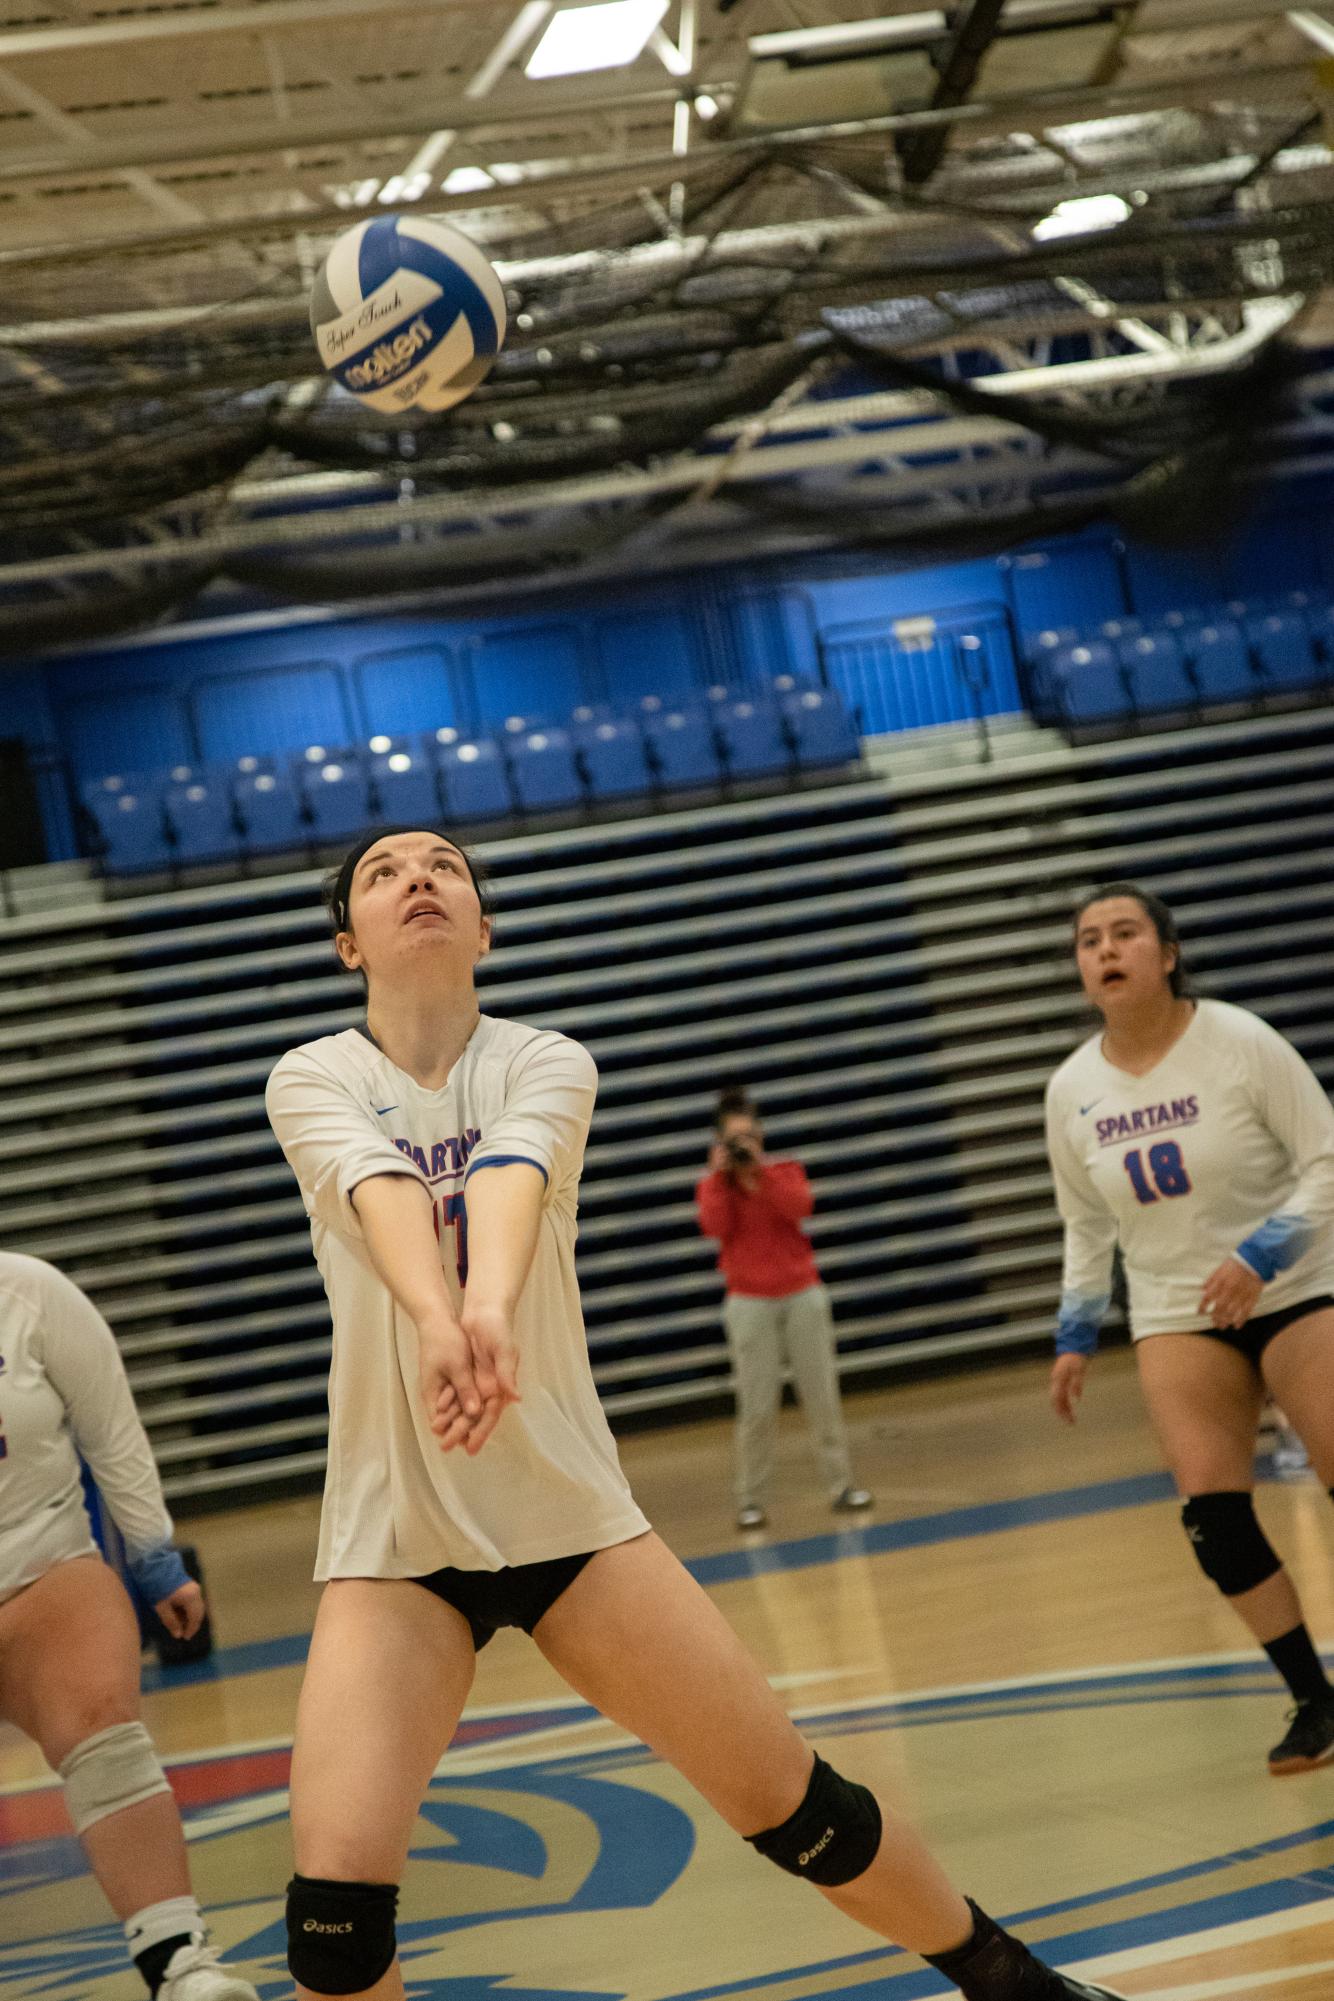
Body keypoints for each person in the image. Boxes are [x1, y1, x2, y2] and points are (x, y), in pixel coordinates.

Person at [264, 822, 1123, 2001]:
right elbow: (381, 1191)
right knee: (333, 1924)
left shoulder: (544, 1060)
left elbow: (510, 1180)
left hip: (566, 1518)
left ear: (484, 928)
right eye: (382, 873)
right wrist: (434, 1316)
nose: (417, 877)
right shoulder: (311, 1074)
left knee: (793, 1807)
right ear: (345, 945)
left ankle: (1011, 1980)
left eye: (444, 867)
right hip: (395, 1541)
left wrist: (491, 1307)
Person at [1046, 881, 1334, 1774]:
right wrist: (1075, 1330)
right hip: (1177, 1308)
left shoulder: (1239, 1041)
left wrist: (1258, 1255)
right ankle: (1314, 1700)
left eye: (1125, 933)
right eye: (1090, 939)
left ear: (1166, 953)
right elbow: (1088, 1225)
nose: (1106, 950)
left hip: (1295, 1285)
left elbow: (1327, 1159)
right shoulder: (1072, 1090)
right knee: (1212, 1516)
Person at [0, 1250, 260, 2000]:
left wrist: (154, 1558)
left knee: (102, 1719)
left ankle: (180, 1963)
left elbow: (111, 1431)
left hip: (40, 1572)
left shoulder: (31, 1293)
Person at [696, 1086, 872, 1530]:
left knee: (822, 1395)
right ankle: (750, 1500)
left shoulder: (785, 1171)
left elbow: (800, 1207)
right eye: (734, 1139)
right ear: (719, 1142)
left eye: (749, 1136)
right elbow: (714, 1227)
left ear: (760, 1136)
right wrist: (721, 1177)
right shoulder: (713, 1186)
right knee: (756, 1406)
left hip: (802, 1296)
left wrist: (759, 1174)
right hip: (749, 1302)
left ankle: (842, 1485)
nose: (743, 1145)